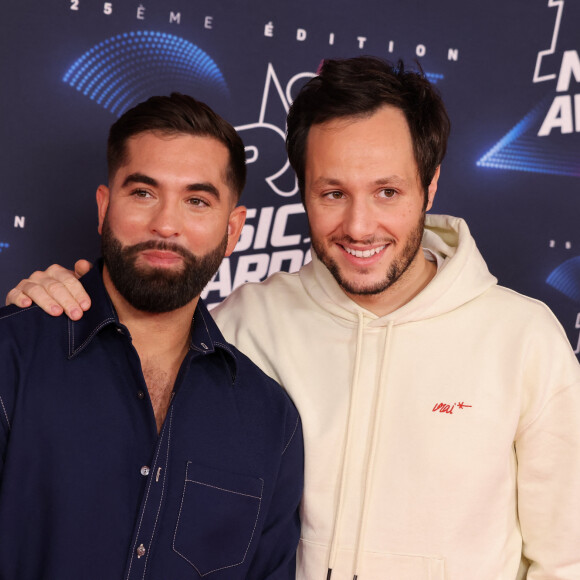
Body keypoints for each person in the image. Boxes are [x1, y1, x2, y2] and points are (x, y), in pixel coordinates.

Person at [7, 57, 580, 580]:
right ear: (301, 194)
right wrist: (53, 297)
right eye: (332, 193)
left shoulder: (524, 340)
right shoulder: (241, 326)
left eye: (386, 191)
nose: (359, 226)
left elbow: (566, 560)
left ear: (429, 187)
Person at [0, 93, 303, 580]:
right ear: (104, 207)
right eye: (143, 193)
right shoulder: (11, 360)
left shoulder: (270, 421)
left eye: (197, 201)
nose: (166, 223)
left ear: (233, 230)